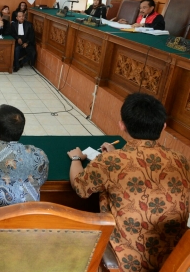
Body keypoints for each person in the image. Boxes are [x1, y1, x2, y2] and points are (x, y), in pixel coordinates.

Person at [67, 93, 190, 272]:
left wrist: (77, 158)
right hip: (171, 260)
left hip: (123, 262)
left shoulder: (111, 162)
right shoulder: (182, 160)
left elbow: (80, 187)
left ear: (122, 126)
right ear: (163, 126)